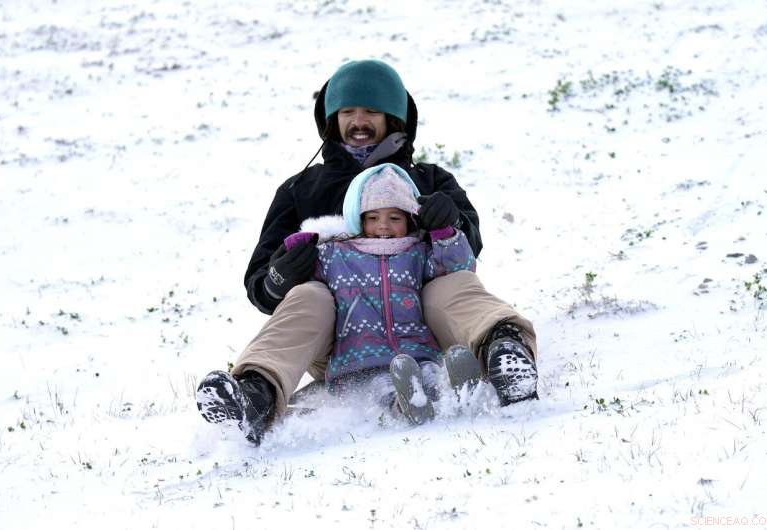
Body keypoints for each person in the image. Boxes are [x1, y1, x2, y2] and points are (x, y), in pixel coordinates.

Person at [196, 59, 539, 444]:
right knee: (310, 295)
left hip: (422, 332)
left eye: (371, 111)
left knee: (449, 282)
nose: (358, 121)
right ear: (331, 120)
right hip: (344, 343)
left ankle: (506, 353)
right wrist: (281, 273)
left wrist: (452, 222)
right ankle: (255, 395)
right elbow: (261, 287)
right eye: (347, 112)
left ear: (394, 119)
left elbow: (467, 252)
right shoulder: (300, 190)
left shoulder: (428, 180)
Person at [287, 162, 478, 425]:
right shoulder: (339, 254)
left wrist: (445, 235)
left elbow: (457, 267)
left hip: (416, 349)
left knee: (430, 374)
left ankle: (458, 394)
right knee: (383, 386)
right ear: (359, 219)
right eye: (373, 218)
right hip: (362, 357)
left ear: (410, 219)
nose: (383, 226)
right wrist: (298, 247)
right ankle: (404, 407)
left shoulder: (418, 252)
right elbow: (311, 272)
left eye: (394, 218)